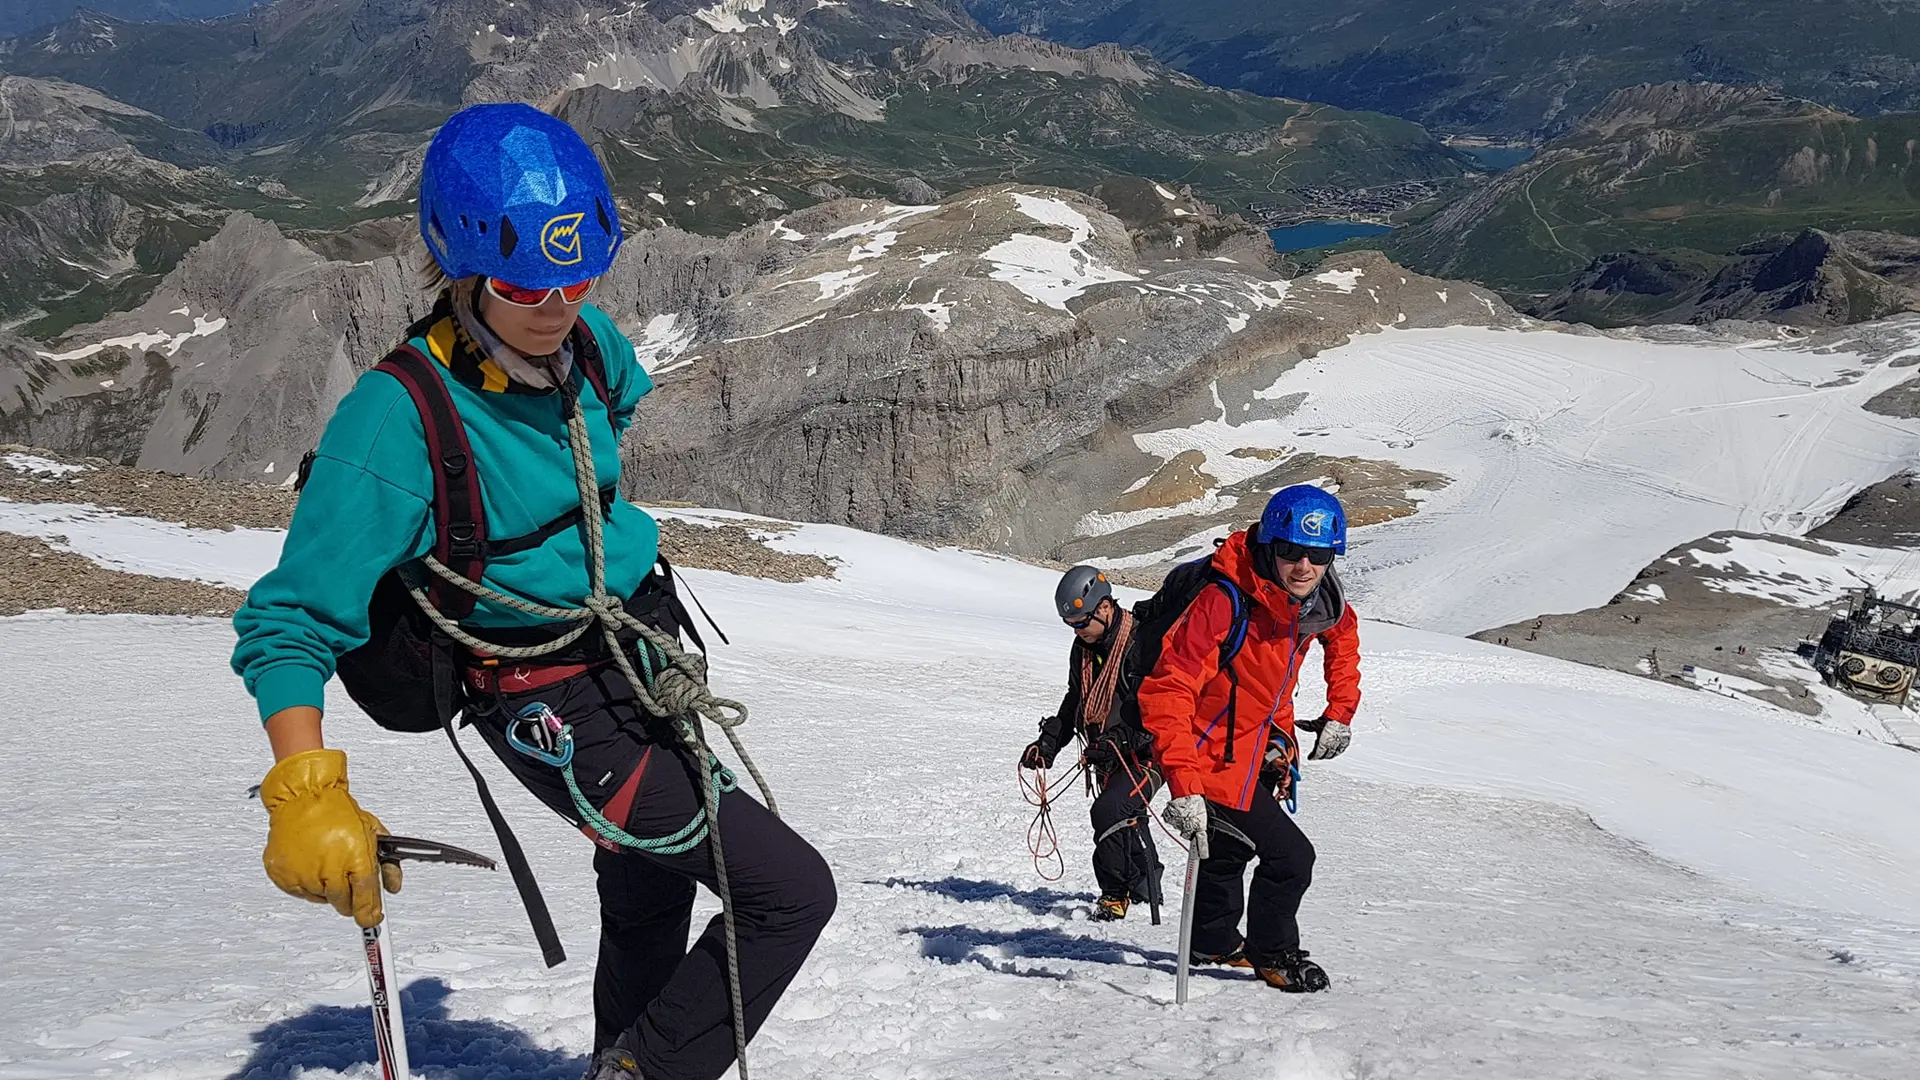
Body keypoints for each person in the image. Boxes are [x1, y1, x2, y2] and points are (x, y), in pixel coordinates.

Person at [231, 103, 834, 1080]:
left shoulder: (591, 347)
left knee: (650, 891)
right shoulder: (394, 422)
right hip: (544, 698)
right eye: (524, 284)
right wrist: (304, 795)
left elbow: (611, 419)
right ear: (462, 267)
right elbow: (289, 623)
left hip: (637, 647)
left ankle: (622, 1058)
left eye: (579, 277)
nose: (557, 306)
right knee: (788, 893)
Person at [1142, 485, 1360, 992]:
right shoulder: (1225, 600)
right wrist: (1182, 781)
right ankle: (1274, 953)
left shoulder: (1316, 601)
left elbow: (1343, 640)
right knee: (1291, 858)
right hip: (1208, 755)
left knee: (1228, 846)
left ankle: (1211, 940)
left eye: (1319, 555)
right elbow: (1168, 688)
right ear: (1269, 546)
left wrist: (1339, 711)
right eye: (1290, 551)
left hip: (1258, 745)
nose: (1304, 566)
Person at [1020, 565, 1164, 921]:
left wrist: (1118, 738)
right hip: (1109, 754)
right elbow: (1077, 700)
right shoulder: (1083, 648)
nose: (1077, 631)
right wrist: (1049, 743)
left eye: (1081, 622)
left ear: (1104, 608)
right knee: (1126, 816)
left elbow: (1157, 709)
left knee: (1109, 812)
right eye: (1071, 624)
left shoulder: (1142, 643)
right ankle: (1147, 886)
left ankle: (1115, 895)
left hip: (1151, 753)